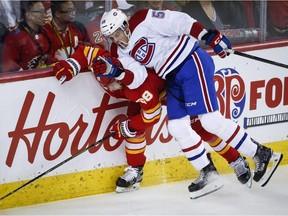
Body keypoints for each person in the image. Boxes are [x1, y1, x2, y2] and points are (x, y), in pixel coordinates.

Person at [95, 8, 283, 197]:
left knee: (209, 120)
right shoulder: (117, 51)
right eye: (111, 37)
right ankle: (208, 172)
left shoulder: (142, 19)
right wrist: (118, 73)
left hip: (190, 62)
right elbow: (139, 76)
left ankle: (260, 153)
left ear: (125, 25)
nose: (116, 39)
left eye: (117, 33)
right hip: (171, 78)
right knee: (177, 127)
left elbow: (179, 20)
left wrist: (205, 35)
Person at [53, 42, 253, 198]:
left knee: (200, 127)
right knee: (132, 123)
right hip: (142, 93)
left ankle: (236, 160)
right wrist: (72, 66)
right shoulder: (105, 62)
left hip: (170, 90)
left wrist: (127, 127)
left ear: (118, 76)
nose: (111, 87)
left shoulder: (137, 86)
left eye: (113, 82)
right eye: (107, 82)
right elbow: (85, 52)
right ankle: (136, 171)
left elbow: (152, 115)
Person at [2, 1, 53, 72]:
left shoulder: (46, 33)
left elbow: (51, 60)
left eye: (44, 11)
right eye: (40, 12)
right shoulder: (14, 38)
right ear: (29, 15)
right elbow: (9, 68)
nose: (44, 15)